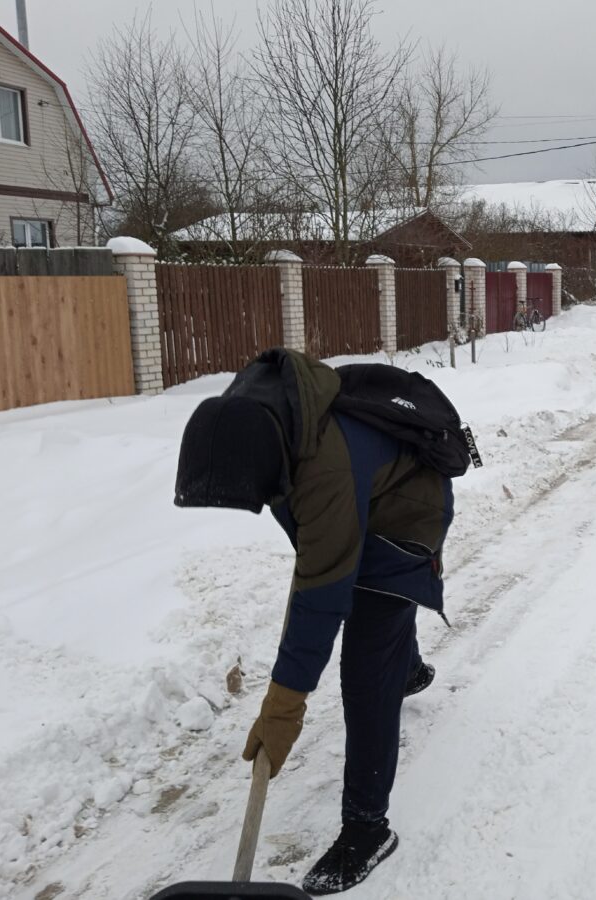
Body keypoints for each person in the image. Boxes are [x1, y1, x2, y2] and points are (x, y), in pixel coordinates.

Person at [173, 348, 455, 895]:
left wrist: (284, 707)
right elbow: (317, 553)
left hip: (409, 511)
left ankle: (368, 829)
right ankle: (407, 666)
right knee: (374, 622)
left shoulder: (324, 467)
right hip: (359, 492)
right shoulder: (253, 415)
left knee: (367, 666)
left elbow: (323, 595)